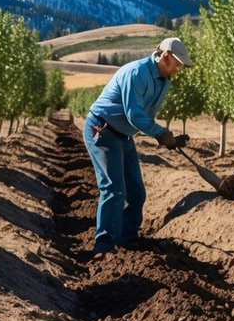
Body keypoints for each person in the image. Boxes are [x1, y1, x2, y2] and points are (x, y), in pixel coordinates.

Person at [82, 36, 193, 254]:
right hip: (103, 129)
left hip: (124, 135)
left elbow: (146, 115)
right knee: (114, 190)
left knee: (136, 193)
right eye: (177, 63)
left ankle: (127, 240)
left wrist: (168, 137)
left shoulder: (164, 80)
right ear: (165, 56)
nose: (179, 68)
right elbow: (134, 114)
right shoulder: (137, 73)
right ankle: (103, 246)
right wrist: (159, 132)